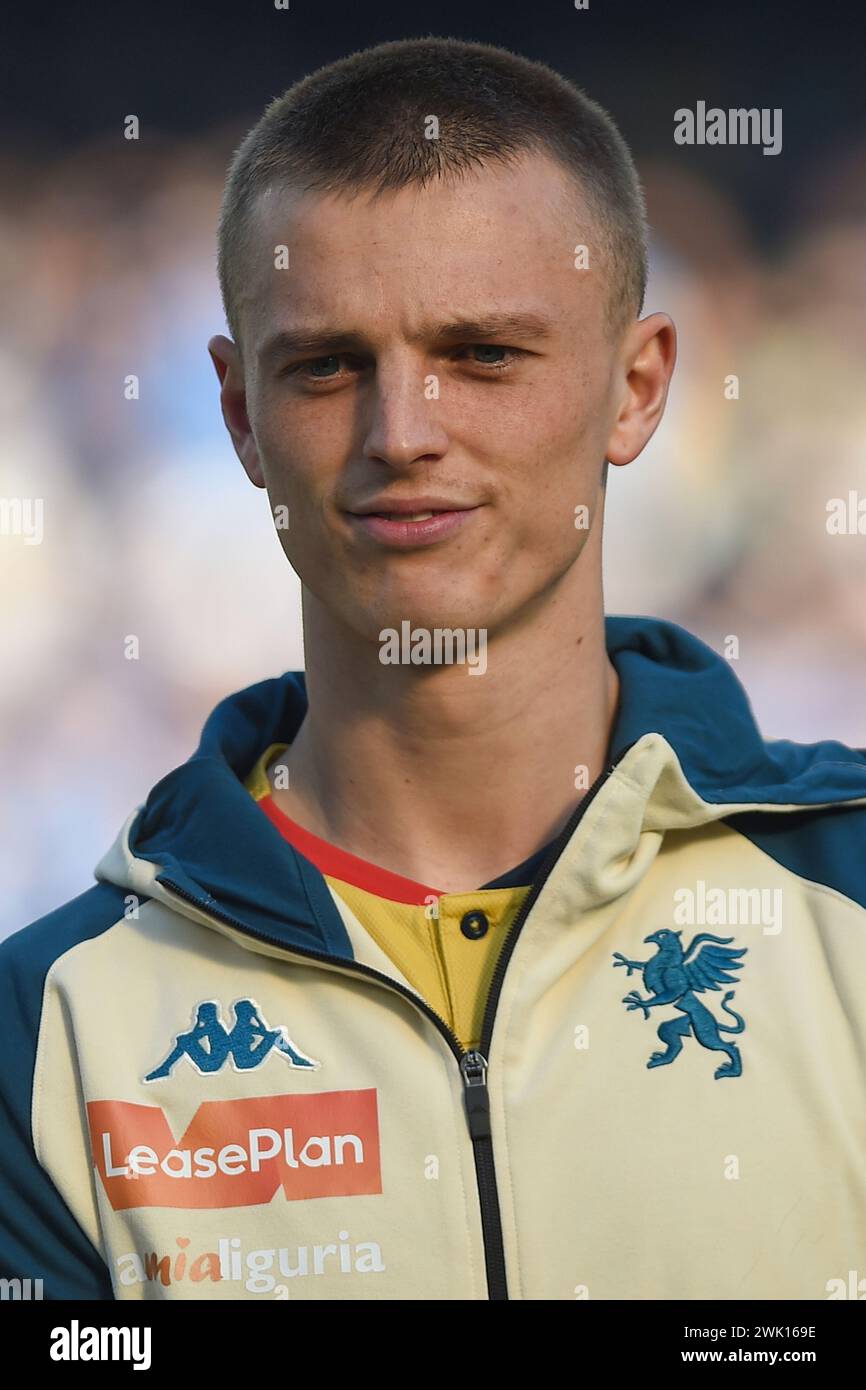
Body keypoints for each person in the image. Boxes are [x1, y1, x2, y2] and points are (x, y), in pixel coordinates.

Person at [2, 35, 865, 1303]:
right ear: (239, 415)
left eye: (484, 356)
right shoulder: (46, 1032)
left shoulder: (843, 898)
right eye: (327, 366)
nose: (402, 433)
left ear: (637, 389)